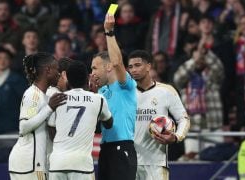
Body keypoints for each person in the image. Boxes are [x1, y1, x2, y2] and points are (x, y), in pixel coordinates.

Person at [127, 50, 190, 179]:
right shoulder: (126, 94)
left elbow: (184, 119)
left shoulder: (166, 91)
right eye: (131, 67)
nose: (133, 70)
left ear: (149, 66)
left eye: (138, 65)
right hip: (129, 162)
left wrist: (176, 137)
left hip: (156, 163)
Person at [90, 14, 137, 180]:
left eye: (95, 68)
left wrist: (109, 33)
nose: (92, 72)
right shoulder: (101, 92)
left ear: (108, 66)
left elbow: (118, 62)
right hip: (105, 149)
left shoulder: (126, 84)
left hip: (122, 147)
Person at [48, 60, 113, 180]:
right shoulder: (98, 99)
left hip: (57, 163)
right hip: (82, 165)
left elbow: (51, 131)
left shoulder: (57, 99)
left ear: (67, 78)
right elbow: (109, 123)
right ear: (88, 77)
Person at [8, 52, 66, 180]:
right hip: (29, 163)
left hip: (34, 163)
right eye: (57, 69)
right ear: (48, 70)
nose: (59, 73)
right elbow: (23, 127)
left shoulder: (44, 96)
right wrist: (49, 108)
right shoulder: (33, 95)